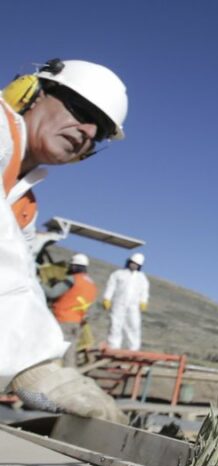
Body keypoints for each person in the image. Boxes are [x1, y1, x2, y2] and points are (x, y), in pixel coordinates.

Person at [1, 58, 128, 421]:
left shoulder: (23, 204)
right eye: (81, 109)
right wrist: (32, 366)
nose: (87, 130)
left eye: (99, 130)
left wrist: (46, 362)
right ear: (31, 92)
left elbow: (23, 282)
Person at [43, 253, 98, 367]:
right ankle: (69, 375)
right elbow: (91, 308)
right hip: (76, 323)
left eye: (71, 265)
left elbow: (52, 293)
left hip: (62, 319)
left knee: (52, 349)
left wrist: (36, 283)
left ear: (74, 266)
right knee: (69, 353)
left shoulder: (73, 279)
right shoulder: (91, 284)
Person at [103, 252, 149, 351]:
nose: (134, 265)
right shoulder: (118, 274)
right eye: (133, 263)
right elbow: (111, 287)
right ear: (129, 262)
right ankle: (113, 347)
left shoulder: (141, 277)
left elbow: (144, 291)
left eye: (137, 264)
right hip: (118, 303)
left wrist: (143, 302)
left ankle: (133, 348)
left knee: (134, 326)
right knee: (115, 325)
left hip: (134, 306)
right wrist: (107, 298)